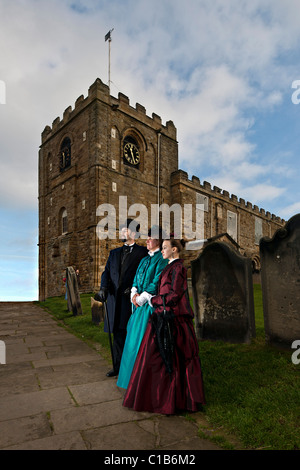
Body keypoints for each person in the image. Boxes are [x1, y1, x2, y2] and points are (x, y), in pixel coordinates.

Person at [122, 237, 206, 414]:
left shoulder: (179, 268)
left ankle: (173, 399)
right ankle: (157, 397)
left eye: (165, 247)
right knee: (155, 358)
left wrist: (153, 300)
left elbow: (174, 295)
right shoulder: (168, 266)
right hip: (162, 315)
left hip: (174, 319)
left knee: (173, 360)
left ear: (174, 250)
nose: (162, 250)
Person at [94, 219, 148, 377]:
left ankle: (132, 369)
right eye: (122, 230)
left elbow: (143, 275)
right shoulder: (114, 253)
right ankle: (117, 368)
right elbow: (106, 273)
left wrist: (134, 290)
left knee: (131, 334)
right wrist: (103, 288)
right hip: (114, 300)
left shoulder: (143, 253)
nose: (123, 233)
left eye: (126, 230)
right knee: (117, 334)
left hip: (130, 301)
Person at [117, 226, 168, 389]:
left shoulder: (162, 258)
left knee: (144, 344)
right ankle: (130, 380)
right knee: (131, 344)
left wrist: (143, 298)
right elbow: (136, 278)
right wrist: (134, 292)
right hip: (137, 305)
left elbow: (158, 280)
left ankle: (142, 384)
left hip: (150, 307)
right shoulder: (145, 259)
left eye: (150, 238)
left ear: (158, 240)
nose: (147, 240)